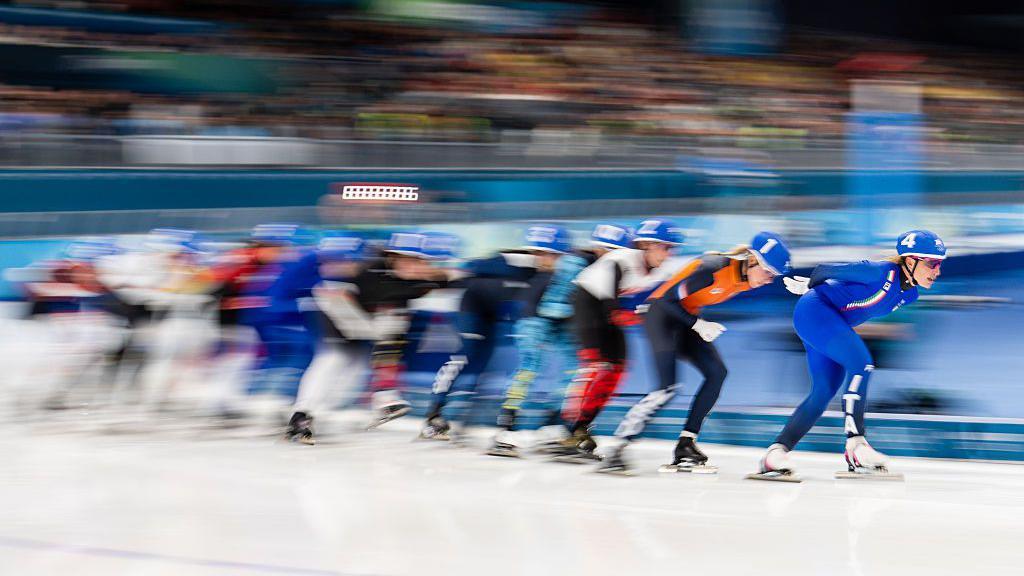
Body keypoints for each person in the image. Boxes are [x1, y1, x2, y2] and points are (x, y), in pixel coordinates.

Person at [750, 230, 946, 481]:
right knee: (861, 363)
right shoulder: (878, 271)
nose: (937, 271)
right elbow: (823, 270)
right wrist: (809, 286)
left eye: (940, 264)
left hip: (831, 322)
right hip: (815, 311)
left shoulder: (910, 295)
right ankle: (856, 445)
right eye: (932, 263)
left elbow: (858, 306)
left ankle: (775, 454)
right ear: (910, 261)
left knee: (823, 392)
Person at [597, 232, 791, 475]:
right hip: (660, 315)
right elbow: (666, 301)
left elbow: (688, 300)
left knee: (717, 372)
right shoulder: (712, 268)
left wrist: (695, 322)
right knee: (666, 388)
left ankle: (686, 444)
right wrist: (697, 324)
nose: (770, 280)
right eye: (769, 273)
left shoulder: (744, 277)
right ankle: (618, 446)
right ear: (752, 261)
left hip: (684, 317)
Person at [486, 223, 632, 457]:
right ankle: (506, 428)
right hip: (539, 318)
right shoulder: (580, 262)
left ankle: (554, 427)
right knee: (530, 368)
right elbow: (554, 304)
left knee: (571, 372)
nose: (543, 260)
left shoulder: (599, 265)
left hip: (562, 320)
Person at [554, 218, 683, 461]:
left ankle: (582, 427)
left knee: (618, 370)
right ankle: (568, 430)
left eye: (672, 249)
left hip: (606, 309)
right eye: (665, 248)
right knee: (597, 367)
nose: (669, 255)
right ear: (647, 245)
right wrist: (622, 313)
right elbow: (610, 292)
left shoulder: (660, 267)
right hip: (587, 303)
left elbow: (687, 273)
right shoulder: (623, 257)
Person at [418, 230, 540, 441]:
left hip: (492, 313)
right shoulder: (516, 262)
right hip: (473, 308)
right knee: (464, 356)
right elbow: (466, 271)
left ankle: (457, 414)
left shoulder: (536, 271)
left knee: (482, 364)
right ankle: (434, 412)